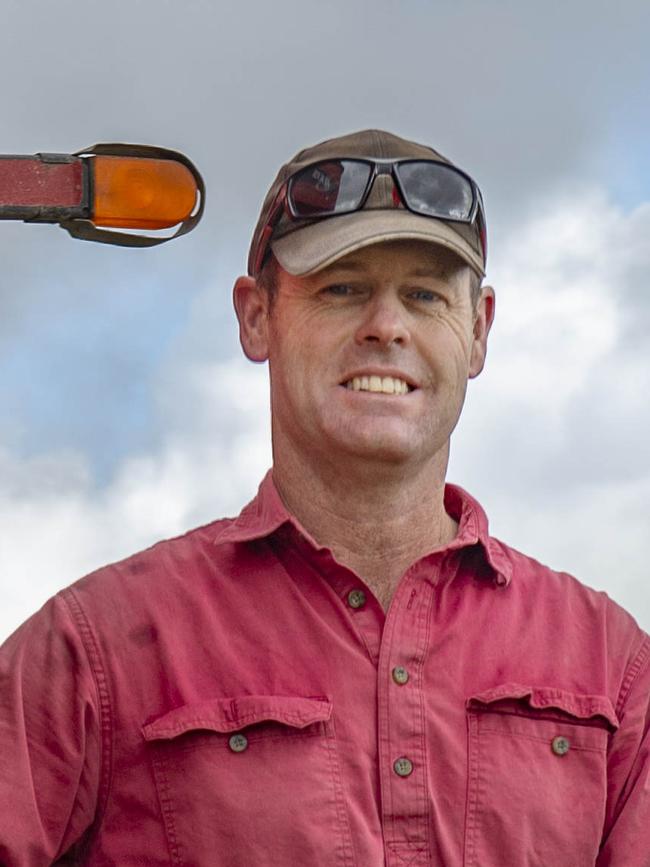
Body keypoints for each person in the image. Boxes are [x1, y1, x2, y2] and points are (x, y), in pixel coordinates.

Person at [0, 129, 648, 866]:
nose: (386, 326)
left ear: (478, 330)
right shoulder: (95, 653)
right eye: (342, 288)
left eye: (425, 294)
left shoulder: (611, 667)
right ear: (255, 316)